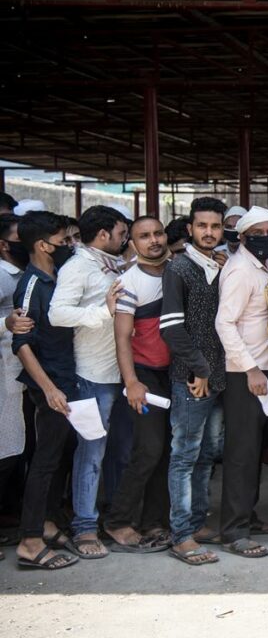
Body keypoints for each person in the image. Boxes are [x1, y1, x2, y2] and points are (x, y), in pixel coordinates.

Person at [48, 205, 128, 560]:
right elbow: (57, 313)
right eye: (122, 234)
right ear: (103, 235)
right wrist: (103, 313)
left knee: (119, 453)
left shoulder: (110, 263)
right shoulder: (78, 266)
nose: (125, 239)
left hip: (121, 374)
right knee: (91, 455)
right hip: (91, 376)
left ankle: (113, 518)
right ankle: (84, 528)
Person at [161, 197, 228, 566]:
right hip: (191, 379)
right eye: (202, 226)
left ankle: (198, 524)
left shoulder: (218, 266)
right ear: (190, 228)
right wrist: (199, 370)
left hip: (217, 379)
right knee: (185, 456)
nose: (208, 232)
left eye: (215, 226)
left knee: (207, 455)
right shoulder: (179, 269)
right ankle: (181, 535)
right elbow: (171, 329)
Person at [12, 211, 78, 570]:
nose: (69, 246)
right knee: (45, 462)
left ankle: (48, 524)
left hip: (66, 379)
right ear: (42, 245)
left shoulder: (57, 278)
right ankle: (30, 540)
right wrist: (50, 389)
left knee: (61, 457)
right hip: (50, 383)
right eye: (64, 241)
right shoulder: (33, 284)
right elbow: (22, 344)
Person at [215, 206, 268, 559]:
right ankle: (234, 531)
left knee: (254, 450)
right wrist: (252, 369)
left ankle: (247, 517)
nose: (267, 237)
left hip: (264, 370)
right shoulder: (240, 270)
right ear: (241, 237)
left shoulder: (262, 267)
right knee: (241, 453)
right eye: (258, 232)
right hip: (246, 373)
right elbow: (225, 324)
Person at [105, 216, 173, 554]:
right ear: (132, 244)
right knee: (148, 449)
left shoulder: (177, 271)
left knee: (164, 452)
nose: (153, 241)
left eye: (158, 233)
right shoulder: (128, 282)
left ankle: (154, 521)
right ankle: (117, 521)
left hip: (172, 373)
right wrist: (131, 382)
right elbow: (122, 338)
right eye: (144, 236)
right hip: (144, 374)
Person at [0, 214, 27, 507]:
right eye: (21, 240)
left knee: (15, 451)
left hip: (16, 374)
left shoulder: (22, 273)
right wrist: (4, 323)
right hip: (5, 373)